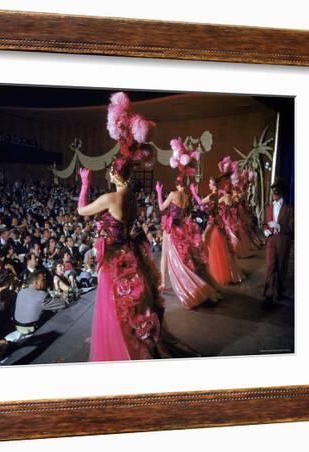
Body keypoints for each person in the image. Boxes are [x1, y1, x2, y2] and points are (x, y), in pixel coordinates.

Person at [77, 91, 198, 362]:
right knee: (132, 305)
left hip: (113, 258)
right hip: (129, 254)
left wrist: (85, 184)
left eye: (110, 170)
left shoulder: (111, 197)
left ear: (114, 174)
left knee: (115, 306)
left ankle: (120, 347)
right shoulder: (130, 197)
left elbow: (81, 210)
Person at [156, 175, 220, 309]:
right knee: (181, 257)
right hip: (180, 228)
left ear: (177, 184)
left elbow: (162, 207)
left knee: (165, 256)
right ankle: (164, 282)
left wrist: (158, 192)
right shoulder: (186, 197)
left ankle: (163, 283)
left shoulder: (173, 194)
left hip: (170, 228)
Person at [191, 176, 245, 286]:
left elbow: (200, 202)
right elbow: (205, 208)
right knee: (217, 251)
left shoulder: (212, 195)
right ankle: (222, 273)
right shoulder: (215, 195)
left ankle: (216, 275)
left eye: (210, 183)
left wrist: (193, 192)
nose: (209, 185)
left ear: (214, 185)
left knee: (213, 251)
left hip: (212, 226)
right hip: (215, 224)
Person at [262, 178, 293, 305]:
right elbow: (264, 224)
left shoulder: (289, 209)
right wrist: (265, 231)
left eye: (276, 191)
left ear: (281, 192)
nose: (274, 194)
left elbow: (292, 228)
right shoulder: (268, 208)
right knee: (270, 267)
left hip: (282, 240)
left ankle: (280, 291)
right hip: (271, 241)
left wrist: (279, 226)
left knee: (281, 267)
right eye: (273, 191)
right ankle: (268, 295)